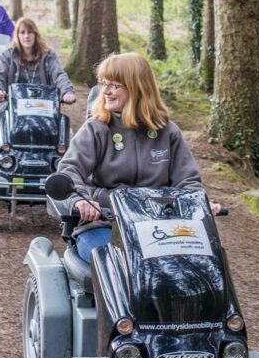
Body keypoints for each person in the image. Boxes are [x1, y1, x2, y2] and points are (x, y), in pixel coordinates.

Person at [57, 52, 221, 262]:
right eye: (103, 83)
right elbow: (69, 171)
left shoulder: (168, 132)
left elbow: (187, 181)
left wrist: (199, 203)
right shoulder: (96, 129)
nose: (105, 91)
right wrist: (81, 201)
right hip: (106, 223)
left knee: (201, 264)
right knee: (115, 264)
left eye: (114, 85)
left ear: (137, 88)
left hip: (162, 225)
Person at [0, 17, 77, 111]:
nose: (26, 36)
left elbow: (59, 75)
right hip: (11, 107)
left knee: (62, 124)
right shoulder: (7, 56)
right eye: (22, 32)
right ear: (17, 36)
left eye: (30, 32)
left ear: (35, 34)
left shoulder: (48, 56)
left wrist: (67, 92)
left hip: (42, 107)